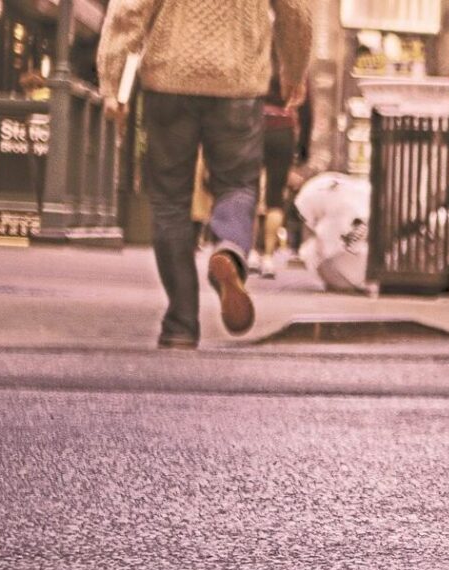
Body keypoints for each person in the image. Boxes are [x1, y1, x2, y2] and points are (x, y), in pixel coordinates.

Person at [100, 0, 312, 349]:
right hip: (238, 85)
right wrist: (293, 70)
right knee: (238, 185)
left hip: (169, 83)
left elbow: (129, 9)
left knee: (170, 203)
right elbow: (296, 11)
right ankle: (229, 250)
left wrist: (113, 83)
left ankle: (181, 324)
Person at [254, 59, 310, 278]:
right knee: (275, 197)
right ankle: (268, 257)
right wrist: (302, 149)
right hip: (283, 129)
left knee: (248, 188)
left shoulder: (257, 56)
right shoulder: (294, 63)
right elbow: (307, 108)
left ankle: (249, 252)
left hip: (254, 125)